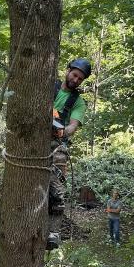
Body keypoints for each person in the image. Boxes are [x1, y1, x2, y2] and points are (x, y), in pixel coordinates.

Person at [47, 58, 91, 248]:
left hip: (56, 144)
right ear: (68, 71)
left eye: (80, 79)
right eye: (74, 75)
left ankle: (53, 233)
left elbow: (73, 125)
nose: (76, 80)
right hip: (33, 138)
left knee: (57, 191)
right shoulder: (49, 85)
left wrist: (62, 131)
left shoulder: (78, 102)